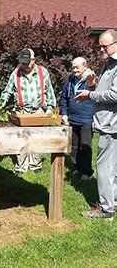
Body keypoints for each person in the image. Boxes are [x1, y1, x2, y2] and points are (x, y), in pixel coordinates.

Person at [75, 29, 117, 219]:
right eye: (99, 45)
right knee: (112, 167)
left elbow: (115, 94)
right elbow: (104, 89)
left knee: (105, 166)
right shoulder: (107, 64)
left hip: (111, 124)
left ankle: (106, 209)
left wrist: (90, 94)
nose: (101, 49)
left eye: (104, 46)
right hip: (107, 122)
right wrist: (93, 84)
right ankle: (112, 202)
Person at [0, 48, 57, 172]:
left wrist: (50, 108)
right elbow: (7, 91)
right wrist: (0, 106)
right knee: (21, 138)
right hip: (22, 111)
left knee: (37, 137)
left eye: (26, 62)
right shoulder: (16, 73)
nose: (24, 65)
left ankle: (35, 163)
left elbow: (49, 91)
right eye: (22, 62)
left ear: (33, 60)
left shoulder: (43, 72)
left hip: (38, 111)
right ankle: (22, 165)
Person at [59, 57, 95, 180]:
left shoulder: (91, 79)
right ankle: (77, 168)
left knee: (85, 146)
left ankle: (87, 172)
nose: (74, 70)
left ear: (84, 66)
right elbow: (64, 97)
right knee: (74, 147)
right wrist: (63, 113)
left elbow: (96, 95)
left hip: (86, 119)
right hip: (72, 118)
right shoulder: (70, 79)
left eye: (77, 67)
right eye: (73, 67)